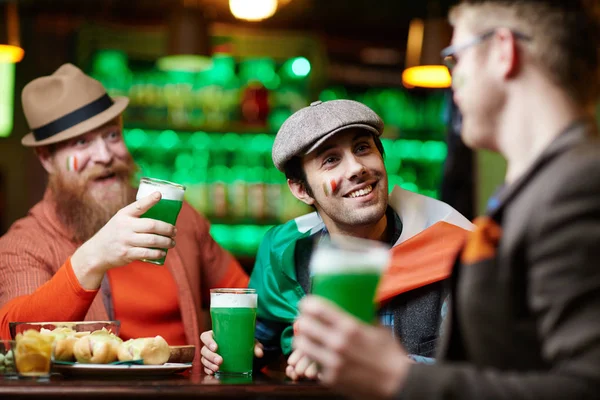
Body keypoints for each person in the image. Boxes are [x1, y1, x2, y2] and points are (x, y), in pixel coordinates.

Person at [291, 1, 600, 399]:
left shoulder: (577, 187)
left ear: (503, 52)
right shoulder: (539, 188)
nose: (452, 82)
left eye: (456, 58)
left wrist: (397, 378)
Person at [200, 99, 474, 379]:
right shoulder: (285, 253)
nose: (356, 168)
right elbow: (260, 345)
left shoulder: (454, 244)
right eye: (331, 160)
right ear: (301, 190)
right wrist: (228, 352)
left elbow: (483, 373)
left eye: (362, 148)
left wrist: (369, 366)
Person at [0, 64, 249, 365]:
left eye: (112, 135)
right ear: (47, 159)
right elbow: (14, 339)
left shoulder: (176, 216)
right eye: (82, 142)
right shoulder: (24, 243)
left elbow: (243, 294)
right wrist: (92, 258)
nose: (105, 156)